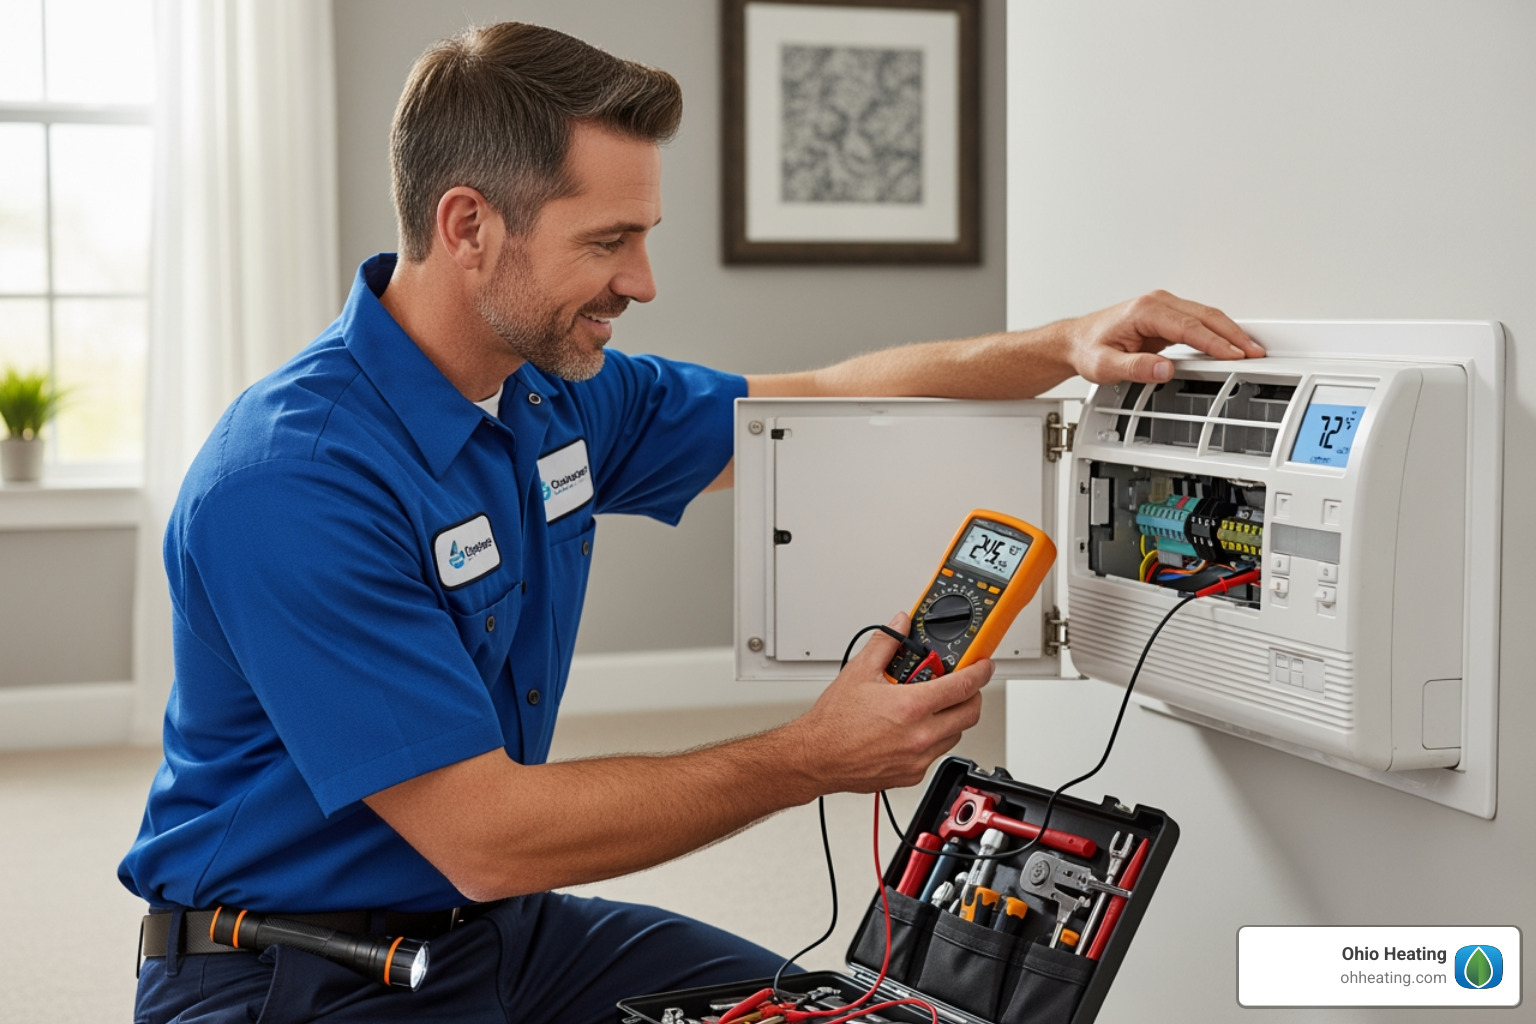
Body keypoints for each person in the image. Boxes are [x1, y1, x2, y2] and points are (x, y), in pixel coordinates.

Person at [121, 21, 1262, 1024]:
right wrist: (811, 756)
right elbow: (486, 833)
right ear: (468, 224)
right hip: (289, 976)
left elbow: (813, 400)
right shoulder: (294, 480)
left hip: (498, 931)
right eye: (609, 241)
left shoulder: (552, 393)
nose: (646, 279)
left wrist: (1062, 344)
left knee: (865, 1017)